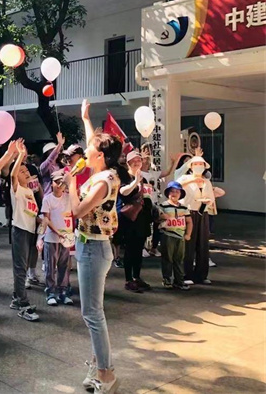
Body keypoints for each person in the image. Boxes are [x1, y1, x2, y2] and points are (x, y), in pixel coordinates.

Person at [65, 99, 126, 394]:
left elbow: (77, 211)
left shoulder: (102, 181)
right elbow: (93, 142)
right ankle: (97, 365)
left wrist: (71, 183)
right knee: (92, 313)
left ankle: (106, 373)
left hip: (94, 249)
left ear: (100, 156)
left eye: (90, 150)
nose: (85, 150)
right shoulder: (104, 171)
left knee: (92, 313)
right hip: (90, 246)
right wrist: (86, 118)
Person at [178, 153, 221, 285]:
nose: (198, 166)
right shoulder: (185, 178)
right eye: (195, 164)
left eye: (201, 164)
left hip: (203, 212)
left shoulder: (206, 181)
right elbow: (177, 187)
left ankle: (201, 275)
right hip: (189, 212)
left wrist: (207, 201)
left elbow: (211, 198)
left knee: (203, 244)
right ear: (191, 166)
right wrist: (192, 181)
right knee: (189, 243)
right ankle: (186, 274)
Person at [9, 140, 40, 322]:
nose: (26, 172)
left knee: (25, 266)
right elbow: (12, 175)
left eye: (26, 170)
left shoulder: (29, 191)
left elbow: (33, 214)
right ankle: (23, 304)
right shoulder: (18, 190)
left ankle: (16, 297)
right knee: (20, 268)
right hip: (20, 230)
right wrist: (20, 156)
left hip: (30, 232)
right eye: (22, 171)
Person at [115, 151, 153, 293]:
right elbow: (123, 192)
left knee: (138, 248)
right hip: (129, 218)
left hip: (141, 217)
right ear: (128, 162)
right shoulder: (124, 176)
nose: (137, 162)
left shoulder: (142, 177)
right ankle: (128, 279)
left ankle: (137, 277)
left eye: (139, 160)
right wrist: (135, 182)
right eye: (134, 160)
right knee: (130, 249)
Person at [37, 170, 74, 306]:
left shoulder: (69, 197)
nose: (59, 185)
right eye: (56, 182)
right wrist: (57, 232)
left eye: (61, 182)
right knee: (50, 267)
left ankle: (63, 292)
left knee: (65, 266)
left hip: (66, 238)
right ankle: (51, 292)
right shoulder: (47, 199)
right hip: (51, 238)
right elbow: (46, 219)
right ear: (51, 183)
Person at [158, 182, 192, 290]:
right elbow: (157, 218)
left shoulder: (184, 208)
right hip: (168, 235)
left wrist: (188, 234)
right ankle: (167, 279)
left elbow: (189, 221)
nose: (174, 194)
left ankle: (179, 281)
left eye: (177, 192)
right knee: (167, 258)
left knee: (179, 259)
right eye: (172, 191)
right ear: (168, 193)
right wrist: (162, 216)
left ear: (180, 194)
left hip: (180, 236)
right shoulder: (163, 206)